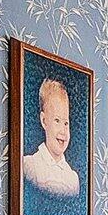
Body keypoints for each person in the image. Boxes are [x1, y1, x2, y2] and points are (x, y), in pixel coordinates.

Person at [21, 73, 81, 203]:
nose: (63, 130)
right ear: (44, 121)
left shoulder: (72, 178)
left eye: (66, 123)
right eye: (57, 120)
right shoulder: (29, 166)